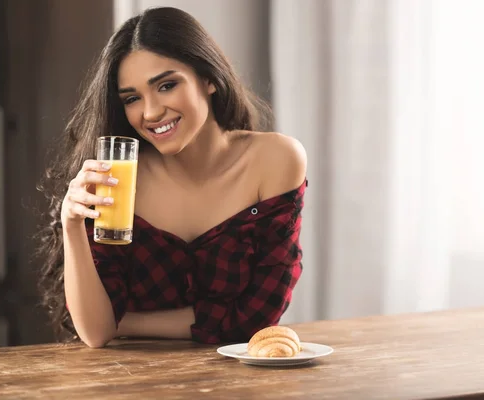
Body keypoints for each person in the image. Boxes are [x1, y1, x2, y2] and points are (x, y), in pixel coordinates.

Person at [37, 6, 307, 348]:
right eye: (132, 98)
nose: (150, 112)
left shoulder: (276, 160)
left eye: (166, 85)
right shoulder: (118, 179)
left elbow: (257, 318)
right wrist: (71, 224)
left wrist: (128, 322)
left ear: (208, 78)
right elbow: (95, 332)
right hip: (126, 379)